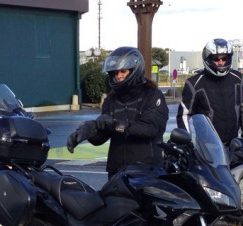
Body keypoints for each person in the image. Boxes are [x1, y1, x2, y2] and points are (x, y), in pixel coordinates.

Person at [66, 47, 168, 180]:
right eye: (115, 72)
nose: (118, 76)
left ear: (134, 70)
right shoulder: (111, 100)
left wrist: (117, 125)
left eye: (123, 71)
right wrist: (87, 131)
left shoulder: (153, 95)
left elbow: (151, 128)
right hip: (117, 173)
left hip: (146, 172)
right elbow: (103, 135)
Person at [176, 38, 243, 145]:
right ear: (208, 59)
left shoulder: (237, 79)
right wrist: (186, 142)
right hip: (208, 146)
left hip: (233, 143)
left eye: (224, 58)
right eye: (216, 59)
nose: (221, 62)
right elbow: (184, 114)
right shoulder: (194, 83)